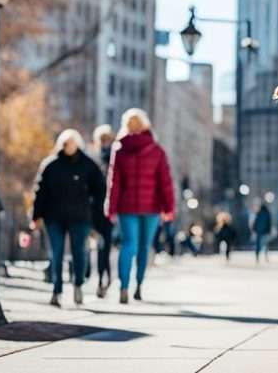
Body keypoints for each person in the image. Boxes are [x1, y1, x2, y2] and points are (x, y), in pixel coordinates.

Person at [106, 109, 175, 304]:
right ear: (145, 125)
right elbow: (165, 182)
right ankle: (138, 286)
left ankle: (124, 286)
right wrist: (169, 208)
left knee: (128, 245)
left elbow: (114, 182)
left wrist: (110, 208)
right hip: (152, 207)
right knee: (145, 246)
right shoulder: (157, 150)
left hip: (126, 207)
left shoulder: (119, 149)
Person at [31, 129, 106, 308]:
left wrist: (96, 214)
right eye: (65, 143)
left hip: (80, 217)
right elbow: (40, 191)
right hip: (54, 217)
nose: (68, 147)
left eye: (71, 143)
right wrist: (36, 216)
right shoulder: (50, 165)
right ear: (60, 145)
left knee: (79, 252)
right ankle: (56, 291)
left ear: (78, 144)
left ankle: (78, 284)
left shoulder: (88, 165)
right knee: (55, 254)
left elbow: (100, 190)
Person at [90, 124, 115, 298]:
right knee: (97, 245)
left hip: (109, 208)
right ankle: (99, 277)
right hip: (94, 207)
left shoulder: (115, 158)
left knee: (104, 246)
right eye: (102, 139)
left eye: (107, 139)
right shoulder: (92, 158)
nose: (105, 143)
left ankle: (103, 278)